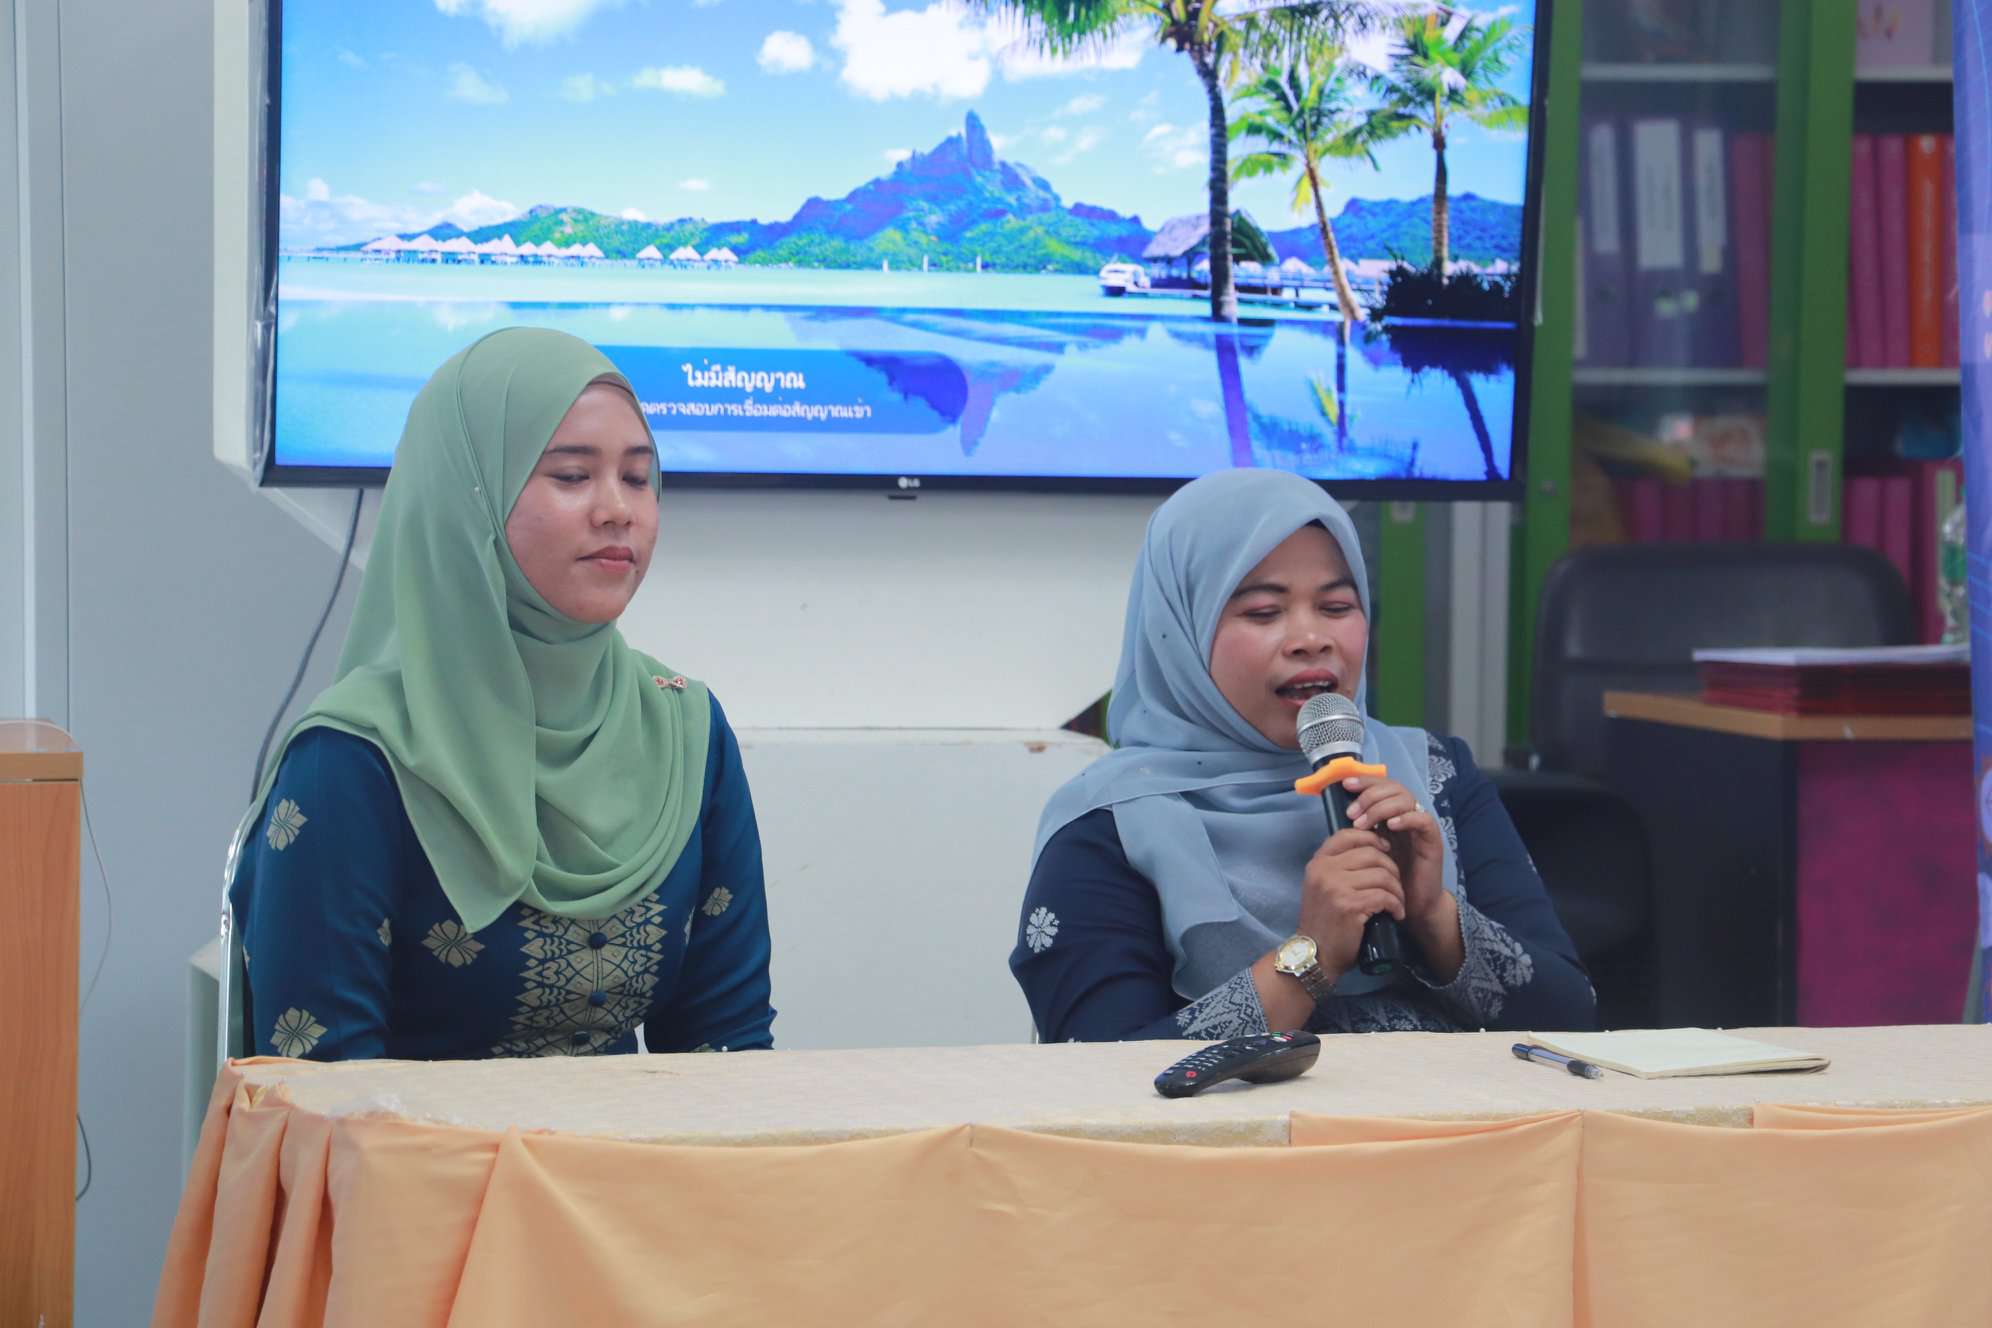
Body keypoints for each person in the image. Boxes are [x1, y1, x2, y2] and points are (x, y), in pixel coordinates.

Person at [230, 328, 773, 1060]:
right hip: (402, 1140)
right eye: (572, 475)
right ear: (469, 500)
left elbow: (727, 1044)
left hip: (639, 1140)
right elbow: (322, 1084)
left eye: (638, 477)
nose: (618, 509)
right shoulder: (354, 760)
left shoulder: (684, 729)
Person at [1011, 468, 1596, 1042]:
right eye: (1263, 612)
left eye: (1337, 607)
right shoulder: (1112, 822)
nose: (1311, 639)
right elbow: (1096, 1070)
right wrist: (1309, 957)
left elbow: (1575, 1018)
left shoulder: (1433, 774)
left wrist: (1432, 914)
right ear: (1180, 635)